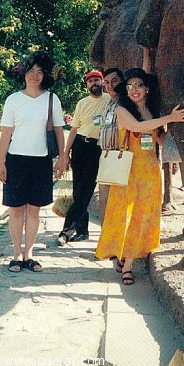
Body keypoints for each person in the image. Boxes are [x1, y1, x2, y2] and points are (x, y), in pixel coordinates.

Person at [95, 68, 184, 285]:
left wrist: (174, 130)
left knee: (142, 218)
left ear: (147, 88)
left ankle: (127, 260)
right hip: (128, 170)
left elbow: (158, 139)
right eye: (130, 87)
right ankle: (126, 262)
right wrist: (169, 117)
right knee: (125, 217)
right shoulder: (121, 110)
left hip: (150, 171)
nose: (134, 90)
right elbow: (137, 127)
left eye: (138, 85)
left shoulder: (153, 112)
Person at [0, 51, 65, 273]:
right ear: (24, 74)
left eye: (39, 72)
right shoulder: (13, 100)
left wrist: (63, 157)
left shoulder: (51, 99)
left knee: (34, 210)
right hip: (15, 160)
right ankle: (16, 254)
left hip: (41, 161)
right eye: (31, 71)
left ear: (44, 75)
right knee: (16, 210)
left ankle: (29, 254)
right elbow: (6, 134)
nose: (35, 76)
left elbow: (58, 131)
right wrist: (2, 163)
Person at [57, 70, 110, 245]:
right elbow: (73, 129)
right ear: (86, 84)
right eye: (90, 81)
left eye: (97, 80)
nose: (93, 83)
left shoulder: (110, 101)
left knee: (86, 190)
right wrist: (65, 154)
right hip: (79, 146)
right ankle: (82, 230)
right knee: (78, 190)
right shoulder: (82, 103)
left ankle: (67, 229)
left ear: (102, 82)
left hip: (97, 149)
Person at [97, 67, 124, 225]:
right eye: (106, 82)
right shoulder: (108, 103)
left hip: (120, 156)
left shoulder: (125, 103)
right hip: (106, 156)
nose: (110, 85)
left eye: (114, 81)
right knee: (104, 200)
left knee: (117, 201)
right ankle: (104, 241)